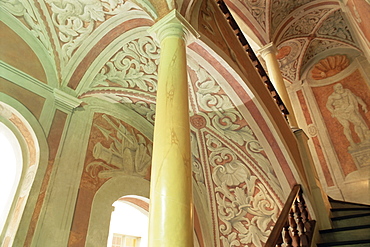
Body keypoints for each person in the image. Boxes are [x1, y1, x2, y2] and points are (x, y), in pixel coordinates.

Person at [326, 83, 370, 148]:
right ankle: (352, 142)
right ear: (335, 90)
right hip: (340, 113)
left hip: (349, 110)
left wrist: (363, 104)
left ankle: (364, 139)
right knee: (346, 126)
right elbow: (328, 105)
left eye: (341, 87)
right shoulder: (332, 97)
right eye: (338, 87)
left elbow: (356, 98)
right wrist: (333, 112)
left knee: (359, 123)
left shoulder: (347, 92)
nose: (340, 88)